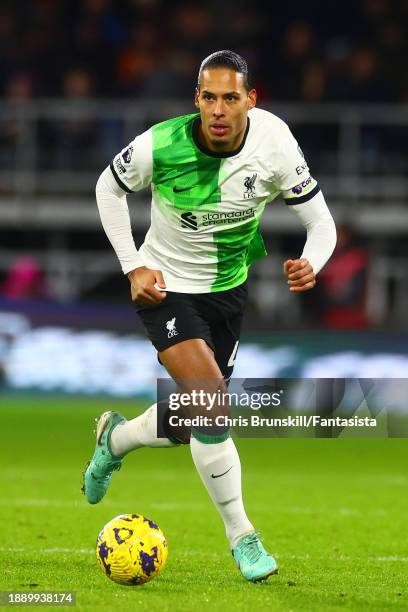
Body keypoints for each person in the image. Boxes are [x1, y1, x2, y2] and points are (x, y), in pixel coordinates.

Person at [83, 50, 337, 582]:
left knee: (191, 421)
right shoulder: (161, 143)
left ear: (250, 99)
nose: (219, 110)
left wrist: (312, 263)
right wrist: (133, 266)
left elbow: (322, 224)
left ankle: (117, 439)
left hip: (228, 292)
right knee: (212, 408)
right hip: (164, 289)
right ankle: (243, 537)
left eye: (230, 97)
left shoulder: (275, 143)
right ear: (196, 99)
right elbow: (108, 188)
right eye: (209, 97)